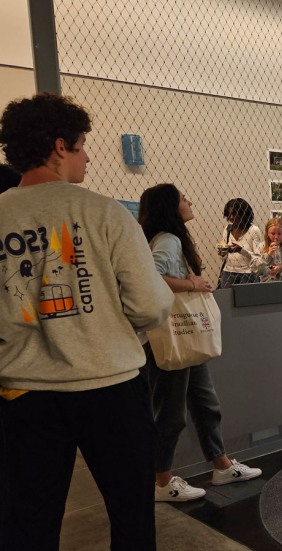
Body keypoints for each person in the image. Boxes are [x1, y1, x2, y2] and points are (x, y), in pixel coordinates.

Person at [0, 93, 173, 549]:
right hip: (110, 383)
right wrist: (107, 326)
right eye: (82, 145)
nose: (88, 156)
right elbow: (151, 304)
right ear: (60, 147)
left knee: (29, 520)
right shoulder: (104, 213)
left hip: (23, 390)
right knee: (131, 514)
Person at [138, 183, 262, 503]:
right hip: (172, 338)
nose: (189, 201)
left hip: (184, 336)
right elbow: (148, 277)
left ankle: (220, 464)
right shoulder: (167, 240)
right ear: (170, 207)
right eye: (183, 198)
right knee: (171, 413)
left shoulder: (171, 239)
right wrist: (190, 283)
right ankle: (162, 480)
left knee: (205, 402)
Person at [218, 197, 263, 287]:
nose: (231, 217)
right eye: (229, 214)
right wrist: (222, 253)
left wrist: (241, 250)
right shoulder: (227, 229)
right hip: (228, 272)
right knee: (226, 299)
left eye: (234, 214)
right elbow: (224, 257)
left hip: (248, 273)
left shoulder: (254, 230)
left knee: (246, 300)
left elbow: (258, 258)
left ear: (243, 214)